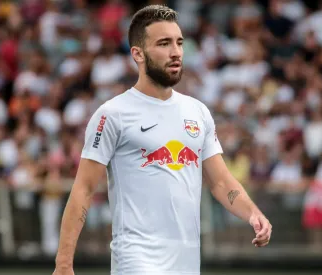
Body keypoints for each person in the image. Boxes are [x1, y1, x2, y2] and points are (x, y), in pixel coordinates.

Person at [53, 5, 272, 275]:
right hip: (136, 262)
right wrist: (63, 263)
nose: (176, 52)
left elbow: (220, 181)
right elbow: (83, 189)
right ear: (138, 54)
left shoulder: (198, 112)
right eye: (164, 43)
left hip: (187, 264)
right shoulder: (113, 114)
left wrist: (253, 213)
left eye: (179, 42)